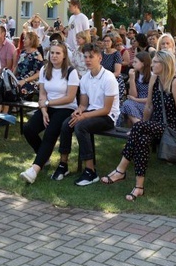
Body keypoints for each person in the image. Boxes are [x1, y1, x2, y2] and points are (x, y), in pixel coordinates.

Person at [101, 50, 176, 200]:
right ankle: (139, 187)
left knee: (138, 128)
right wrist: (141, 127)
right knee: (142, 139)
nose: (152, 64)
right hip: (155, 124)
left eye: (156, 62)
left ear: (164, 64)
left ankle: (121, 170)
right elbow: (149, 107)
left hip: (172, 128)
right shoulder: (154, 79)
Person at [52, 42, 119, 185]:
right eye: (85, 57)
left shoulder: (108, 77)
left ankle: (90, 171)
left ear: (99, 58)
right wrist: (78, 111)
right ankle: (63, 165)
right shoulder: (85, 78)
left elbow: (107, 109)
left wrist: (84, 116)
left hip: (108, 117)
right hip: (92, 112)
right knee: (66, 124)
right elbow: (83, 104)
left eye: (91, 57)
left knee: (81, 126)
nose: (87, 60)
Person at [19, 42, 80, 183]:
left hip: (66, 108)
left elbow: (70, 97)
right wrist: (44, 110)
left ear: (64, 56)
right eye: (52, 53)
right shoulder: (44, 69)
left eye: (58, 53)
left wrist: (47, 103)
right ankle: (43, 157)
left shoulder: (71, 72)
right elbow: (42, 94)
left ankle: (34, 170)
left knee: (50, 134)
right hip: (48, 107)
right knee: (28, 129)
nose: (54, 56)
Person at [116, 52, 152, 127]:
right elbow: (133, 95)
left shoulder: (152, 77)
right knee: (127, 104)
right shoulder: (136, 75)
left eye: (136, 62)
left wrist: (136, 100)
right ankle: (138, 126)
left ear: (143, 63)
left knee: (127, 104)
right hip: (136, 103)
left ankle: (139, 127)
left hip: (147, 105)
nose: (133, 64)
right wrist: (132, 78)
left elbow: (151, 99)